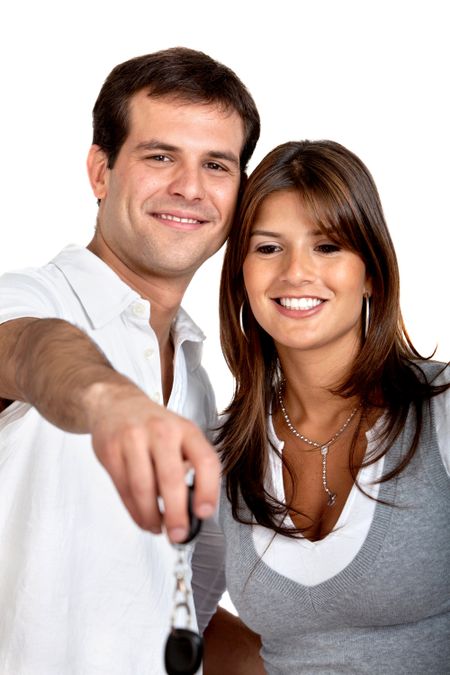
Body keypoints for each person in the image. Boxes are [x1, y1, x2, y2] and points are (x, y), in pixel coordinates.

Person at [0, 47, 260, 674]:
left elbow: (176, 614)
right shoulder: (32, 297)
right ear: (100, 171)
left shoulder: (199, 383)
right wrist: (107, 401)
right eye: (160, 155)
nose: (190, 188)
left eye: (216, 164)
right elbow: (29, 350)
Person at [215, 140, 450, 674]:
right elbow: (179, 612)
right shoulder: (221, 448)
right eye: (269, 248)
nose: (296, 273)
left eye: (327, 246)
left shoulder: (440, 410)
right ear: (241, 275)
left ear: (371, 272)